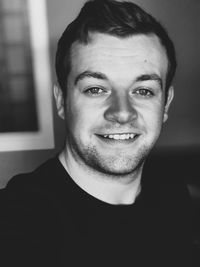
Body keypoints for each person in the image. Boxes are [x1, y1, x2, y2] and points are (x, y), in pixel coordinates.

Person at [0, 0, 193, 266]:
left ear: (165, 104)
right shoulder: (18, 220)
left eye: (143, 91)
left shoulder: (171, 193)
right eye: (96, 89)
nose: (122, 112)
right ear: (61, 101)